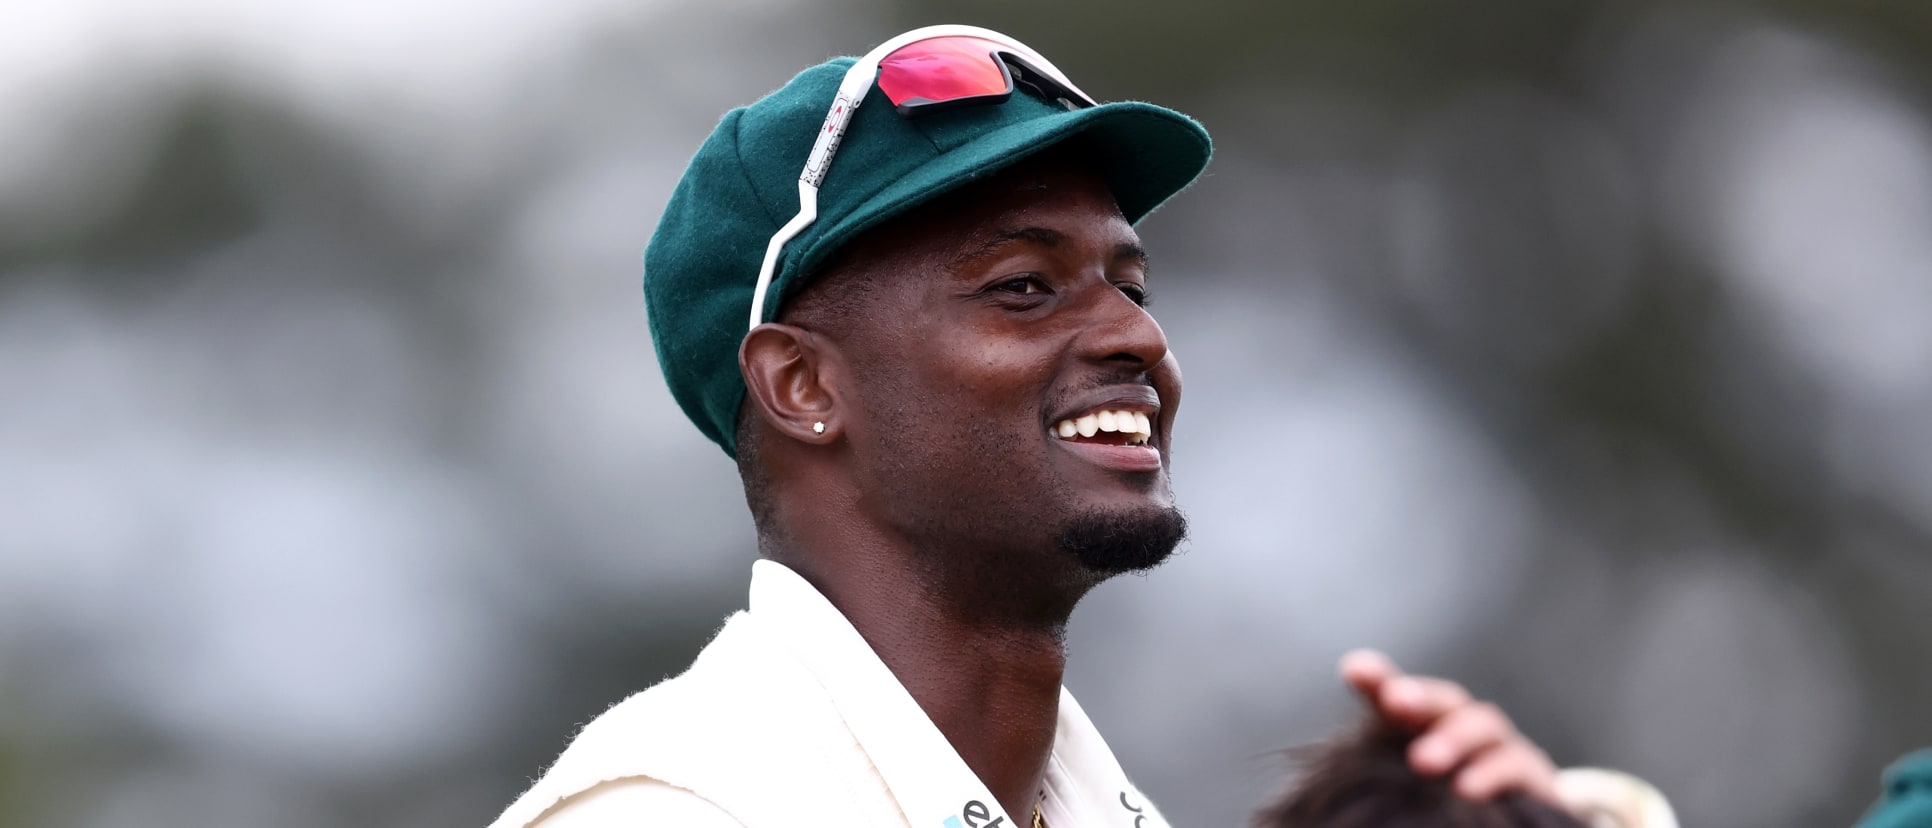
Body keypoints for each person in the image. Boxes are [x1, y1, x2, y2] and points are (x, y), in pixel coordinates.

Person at [488, 25, 1639, 828]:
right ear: (803, 387)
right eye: (1023, 288)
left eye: (1130, 286)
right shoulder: (686, 810)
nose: (1135, 337)